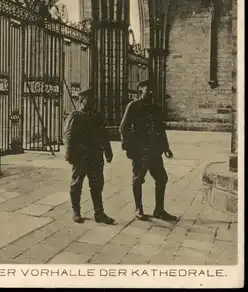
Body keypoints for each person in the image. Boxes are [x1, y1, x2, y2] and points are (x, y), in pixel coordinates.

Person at [119, 79, 177, 222]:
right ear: (140, 91)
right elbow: (123, 127)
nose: (151, 93)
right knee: (138, 179)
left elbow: (160, 129)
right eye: (148, 90)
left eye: (152, 91)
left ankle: (159, 210)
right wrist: (129, 147)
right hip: (140, 151)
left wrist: (166, 147)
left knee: (162, 178)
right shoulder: (133, 106)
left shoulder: (156, 108)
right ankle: (139, 208)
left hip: (155, 151)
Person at [63, 88, 115, 224]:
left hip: (96, 157)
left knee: (97, 185)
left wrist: (108, 151)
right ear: (82, 101)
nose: (92, 103)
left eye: (93, 100)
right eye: (89, 100)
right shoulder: (76, 116)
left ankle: (99, 213)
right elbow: (68, 136)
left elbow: (104, 136)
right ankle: (76, 212)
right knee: (76, 184)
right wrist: (69, 154)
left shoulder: (98, 117)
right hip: (81, 158)